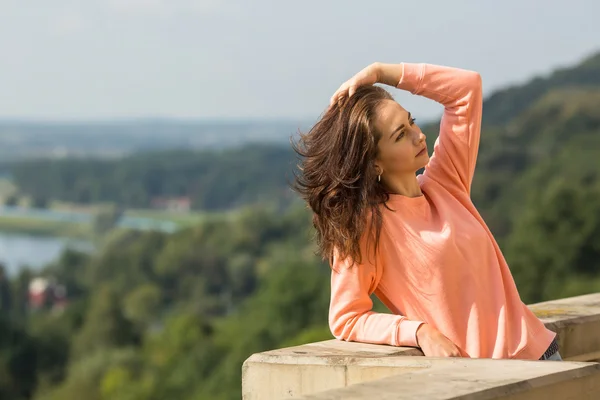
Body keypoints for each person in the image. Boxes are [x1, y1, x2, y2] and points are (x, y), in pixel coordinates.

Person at [292, 61, 562, 361]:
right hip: (482, 379)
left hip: (542, 357)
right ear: (374, 163)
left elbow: (466, 89)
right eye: (400, 135)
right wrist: (417, 332)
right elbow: (346, 317)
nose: (419, 136)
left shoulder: (446, 182)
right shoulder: (366, 226)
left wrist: (382, 72)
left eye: (412, 122)